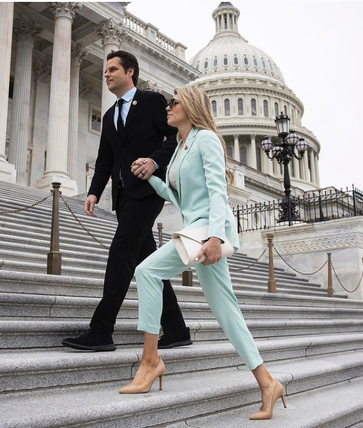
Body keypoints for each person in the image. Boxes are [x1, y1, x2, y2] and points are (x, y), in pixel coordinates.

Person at [122, 86, 287, 421]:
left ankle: (150, 361)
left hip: (206, 230)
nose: (168, 108)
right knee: (227, 312)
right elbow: (180, 198)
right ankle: (268, 383)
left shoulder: (206, 139)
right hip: (194, 226)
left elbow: (217, 192)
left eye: (174, 102)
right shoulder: (182, 146)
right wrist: (152, 175)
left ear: (191, 106)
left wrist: (214, 236)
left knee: (147, 271)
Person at [61, 51, 191, 352]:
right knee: (148, 260)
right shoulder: (109, 115)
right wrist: (94, 191)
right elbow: (106, 157)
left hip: (146, 192)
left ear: (129, 71)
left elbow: (175, 137)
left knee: (121, 253)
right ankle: (176, 329)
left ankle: (101, 330)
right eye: (106, 70)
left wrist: (154, 162)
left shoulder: (151, 101)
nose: (106, 74)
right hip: (123, 197)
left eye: (113, 69)